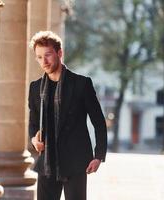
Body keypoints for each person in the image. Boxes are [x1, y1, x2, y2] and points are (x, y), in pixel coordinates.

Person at [28, 31, 107, 200]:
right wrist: (34, 140)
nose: (44, 61)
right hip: (47, 162)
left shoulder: (82, 84)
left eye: (48, 55)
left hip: (76, 161)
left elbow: (99, 122)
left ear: (59, 53)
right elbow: (33, 123)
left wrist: (99, 155)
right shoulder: (35, 88)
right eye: (39, 57)